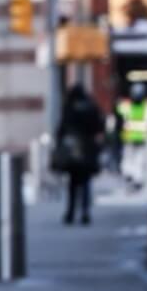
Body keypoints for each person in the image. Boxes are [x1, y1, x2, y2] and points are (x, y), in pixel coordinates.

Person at [57, 83, 104, 225]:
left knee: (72, 183)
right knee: (85, 183)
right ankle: (85, 212)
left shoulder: (69, 107)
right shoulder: (91, 106)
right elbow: (99, 127)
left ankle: (71, 212)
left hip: (73, 150)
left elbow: (62, 128)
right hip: (87, 149)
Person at [115, 81, 147, 190]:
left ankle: (132, 176)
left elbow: (119, 109)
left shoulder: (126, 105)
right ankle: (134, 177)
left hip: (132, 136)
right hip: (139, 137)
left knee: (132, 158)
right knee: (136, 158)